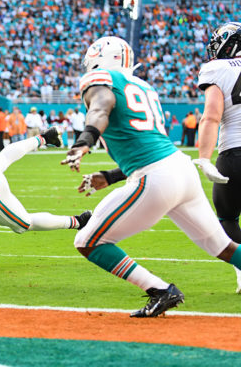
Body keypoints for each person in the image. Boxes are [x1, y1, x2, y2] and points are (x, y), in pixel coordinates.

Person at [62, 36, 241, 317]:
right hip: (180, 170)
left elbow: (101, 106)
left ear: (99, 58)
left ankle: (160, 290)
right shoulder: (143, 85)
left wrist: (85, 140)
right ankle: (161, 291)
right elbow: (148, 142)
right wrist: (110, 175)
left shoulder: (103, 80)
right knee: (223, 247)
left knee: (88, 240)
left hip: (155, 177)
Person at [195, 22, 241, 292]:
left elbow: (211, 116)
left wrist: (204, 158)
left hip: (235, 151)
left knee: (226, 221)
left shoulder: (217, 69)